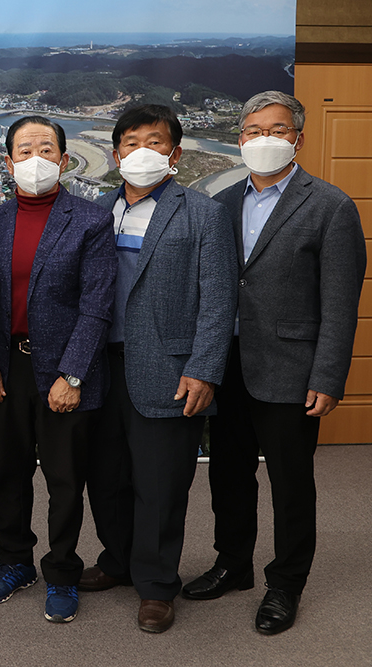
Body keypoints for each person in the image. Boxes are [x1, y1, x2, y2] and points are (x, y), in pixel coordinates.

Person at [182, 91, 366, 635]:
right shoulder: (222, 202)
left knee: (290, 483)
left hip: (292, 368)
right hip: (228, 363)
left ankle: (285, 583)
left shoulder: (330, 205)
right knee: (229, 475)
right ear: (239, 139)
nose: (264, 139)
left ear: (298, 138)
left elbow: (340, 302)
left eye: (277, 129)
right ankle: (233, 564)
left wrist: (329, 376)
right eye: (253, 130)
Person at [81, 104, 237, 633]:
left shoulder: (202, 212)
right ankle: (118, 560)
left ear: (173, 153)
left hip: (170, 369)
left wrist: (205, 369)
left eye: (154, 141)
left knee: (160, 483)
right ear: (116, 150)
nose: (140, 151)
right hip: (101, 366)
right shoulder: (98, 210)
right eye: (129, 142)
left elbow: (219, 299)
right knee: (106, 479)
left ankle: (156, 584)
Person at [0, 116, 116, 623]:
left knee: (64, 479)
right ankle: (14, 562)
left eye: (46, 147)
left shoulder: (91, 220)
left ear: (64, 158)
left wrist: (72, 375)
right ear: (8, 162)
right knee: (6, 474)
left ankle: (61, 571)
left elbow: (97, 305)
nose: (36, 158)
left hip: (65, 369)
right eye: (24, 149)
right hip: (5, 364)